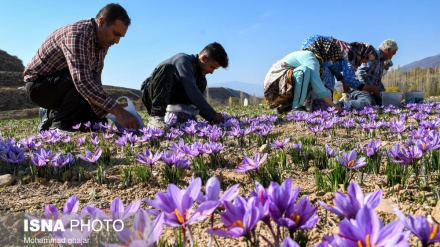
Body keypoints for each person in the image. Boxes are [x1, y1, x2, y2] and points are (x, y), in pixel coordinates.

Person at [24, 3, 140, 133]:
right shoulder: (78, 35)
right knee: (83, 81)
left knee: (94, 123)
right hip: (40, 87)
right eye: (115, 33)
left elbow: (95, 81)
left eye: (120, 36)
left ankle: (51, 115)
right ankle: (59, 127)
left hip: (65, 84)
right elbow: (82, 82)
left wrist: (102, 117)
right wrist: (119, 112)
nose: (117, 41)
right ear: (101, 22)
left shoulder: (102, 42)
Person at [141, 42, 228, 130]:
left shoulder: (200, 77)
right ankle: (156, 118)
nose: (212, 72)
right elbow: (191, 90)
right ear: (204, 58)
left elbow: (197, 99)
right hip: (152, 96)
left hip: (171, 99)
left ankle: (183, 117)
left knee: (201, 81)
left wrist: (211, 117)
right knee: (167, 69)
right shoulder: (183, 60)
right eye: (212, 67)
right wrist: (212, 115)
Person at [300, 35, 379, 111]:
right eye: (367, 59)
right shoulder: (350, 54)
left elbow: (332, 66)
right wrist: (370, 88)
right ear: (363, 54)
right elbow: (349, 80)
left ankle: (314, 106)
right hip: (316, 49)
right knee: (326, 84)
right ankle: (321, 109)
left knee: (321, 81)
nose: (366, 62)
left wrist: (342, 81)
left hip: (309, 52)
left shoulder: (344, 50)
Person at [264, 50, 342, 113]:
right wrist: (332, 105)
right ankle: (296, 108)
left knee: (311, 78)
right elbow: (318, 86)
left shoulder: (316, 62)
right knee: (304, 71)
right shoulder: (311, 58)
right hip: (274, 87)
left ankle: (287, 106)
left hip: (282, 85)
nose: (332, 62)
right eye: (332, 59)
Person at [340, 39, 398, 108]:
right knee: (368, 103)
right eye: (392, 54)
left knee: (381, 103)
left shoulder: (381, 62)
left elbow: (377, 82)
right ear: (387, 50)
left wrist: (382, 93)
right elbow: (360, 73)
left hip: (369, 89)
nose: (391, 57)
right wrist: (369, 88)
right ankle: (341, 105)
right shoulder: (372, 55)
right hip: (359, 87)